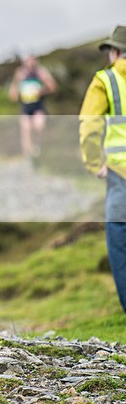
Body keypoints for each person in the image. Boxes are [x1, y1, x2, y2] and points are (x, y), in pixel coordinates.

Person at [79, 25, 126, 313]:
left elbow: (89, 126)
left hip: (120, 173)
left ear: (116, 52)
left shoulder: (105, 80)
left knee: (120, 242)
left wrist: (95, 163)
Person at [9, 54, 57, 161]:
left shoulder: (41, 73)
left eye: (32, 62)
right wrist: (17, 90)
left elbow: (53, 87)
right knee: (26, 130)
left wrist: (42, 91)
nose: (30, 65)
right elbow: (13, 94)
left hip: (38, 106)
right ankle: (28, 155)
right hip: (25, 107)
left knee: (39, 126)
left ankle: (38, 149)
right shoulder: (20, 74)